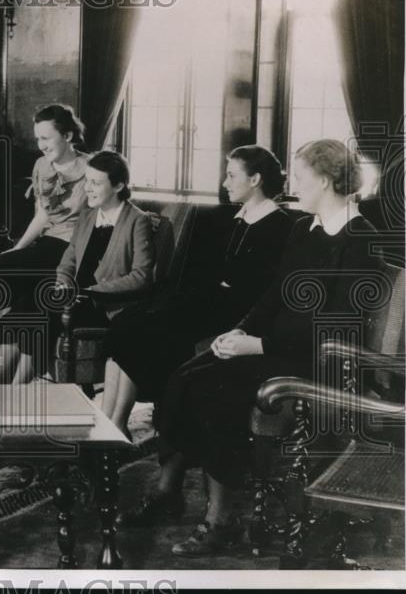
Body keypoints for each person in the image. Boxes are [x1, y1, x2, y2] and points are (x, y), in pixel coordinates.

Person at [130, 139, 383, 557]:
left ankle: (220, 520)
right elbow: (273, 295)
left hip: (319, 360)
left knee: (216, 390)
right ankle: (167, 490)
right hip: (274, 348)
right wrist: (237, 332)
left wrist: (258, 345)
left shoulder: (360, 239)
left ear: (322, 180)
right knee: (184, 375)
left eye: (299, 177)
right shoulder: (305, 228)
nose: (293, 185)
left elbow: (337, 329)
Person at [101, 146, 294, 438]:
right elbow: (216, 273)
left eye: (231, 175)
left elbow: (253, 286)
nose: (225, 183)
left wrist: (216, 285)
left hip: (238, 312)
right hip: (212, 299)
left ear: (255, 180)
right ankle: (109, 418)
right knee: (126, 320)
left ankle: (120, 422)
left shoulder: (280, 225)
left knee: (144, 327)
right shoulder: (235, 218)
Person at [0, 151, 155, 384]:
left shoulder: (137, 220)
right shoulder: (87, 216)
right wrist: (64, 283)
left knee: (45, 310)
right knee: (25, 302)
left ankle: (17, 391)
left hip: (102, 304)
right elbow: (68, 261)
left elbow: (141, 276)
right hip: (72, 297)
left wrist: (91, 291)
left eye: (96, 183)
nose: (87, 188)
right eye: (87, 181)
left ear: (119, 185)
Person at [0, 104, 90, 380]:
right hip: (47, 246)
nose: (41, 145)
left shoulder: (91, 167)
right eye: (38, 138)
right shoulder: (41, 165)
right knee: (29, 304)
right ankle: (1, 387)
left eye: (46, 138)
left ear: (68, 136)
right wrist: (17, 250)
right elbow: (42, 216)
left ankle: (0, 387)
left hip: (74, 252)